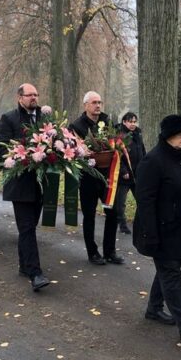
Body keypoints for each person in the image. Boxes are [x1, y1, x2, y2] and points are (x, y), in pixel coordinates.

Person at [133, 114, 181, 344]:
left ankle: (154, 309)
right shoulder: (152, 161)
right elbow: (145, 201)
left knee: (167, 270)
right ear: (167, 135)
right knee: (171, 274)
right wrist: (150, 235)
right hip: (160, 230)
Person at [0, 83, 50, 291]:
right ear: (20, 98)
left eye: (36, 94)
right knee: (27, 228)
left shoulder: (44, 117)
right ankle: (35, 273)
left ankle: (24, 265)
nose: (34, 98)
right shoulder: (9, 118)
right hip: (20, 184)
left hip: (40, 183)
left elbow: (54, 140)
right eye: (30, 95)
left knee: (30, 227)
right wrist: (22, 155)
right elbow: (1, 148)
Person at [69, 91, 124, 266]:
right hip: (88, 178)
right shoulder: (76, 126)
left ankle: (110, 252)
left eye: (100, 102)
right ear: (86, 105)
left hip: (107, 177)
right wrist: (83, 153)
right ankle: (93, 253)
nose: (98, 105)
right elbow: (72, 152)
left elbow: (117, 146)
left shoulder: (107, 122)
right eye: (94, 102)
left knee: (113, 213)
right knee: (89, 215)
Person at [115, 112, 146, 235]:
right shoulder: (119, 135)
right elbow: (117, 155)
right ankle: (122, 226)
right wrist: (123, 171)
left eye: (134, 121)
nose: (133, 124)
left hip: (137, 174)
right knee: (120, 203)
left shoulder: (138, 133)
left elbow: (142, 151)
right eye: (130, 121)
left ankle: (141, 223)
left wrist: (145, 165)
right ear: (124, 122)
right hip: (125, 175)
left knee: (142, 200)